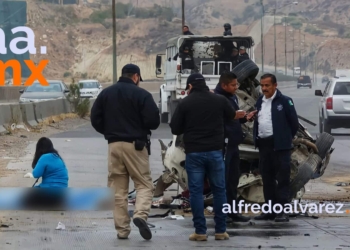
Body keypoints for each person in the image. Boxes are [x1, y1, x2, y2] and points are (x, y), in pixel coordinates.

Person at [169, 73, 244, 241]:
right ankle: (220, 231)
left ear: (190, 87)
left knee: (195, 192)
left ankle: (200, 232)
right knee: (219, 191)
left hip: (194, 153)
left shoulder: (185, 103)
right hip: (216, 152)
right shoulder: (219, 100)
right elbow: (232, 116)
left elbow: (175, 128)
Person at [90, 63, 160, 240]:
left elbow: (95, 118)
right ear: (136, 76)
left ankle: (122, 230)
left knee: (117, 189)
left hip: (113, 145)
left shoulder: (106, 93)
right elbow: (153, 121)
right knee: (144, 184)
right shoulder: (142, 95)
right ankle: (140, 215)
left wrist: (108, 132)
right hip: (135, 146)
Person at [253, 73, 299, 222]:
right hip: (264, 146)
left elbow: (294, 124)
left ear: (275, 85)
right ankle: (270, 211)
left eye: (267, 85)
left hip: (280, 147)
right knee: (267, 179)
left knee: (282, 179)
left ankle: (282, 212)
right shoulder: (260, 101)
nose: (264, 88)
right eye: (262, 85)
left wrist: (284, 139)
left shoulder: (285, 101)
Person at [214, 72, 257, 223]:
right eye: (233, 85)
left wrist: (244, 118)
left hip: (234, 145)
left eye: (236, 84)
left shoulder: (231, 96)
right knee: (223, 181)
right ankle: (222, 213)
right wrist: (234, 116)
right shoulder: (217, 99)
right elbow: (219, 120)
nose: (235, 87)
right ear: (223, 85)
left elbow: (233, 119)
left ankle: (232, 212)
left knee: (233, 180)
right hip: (224, 145)